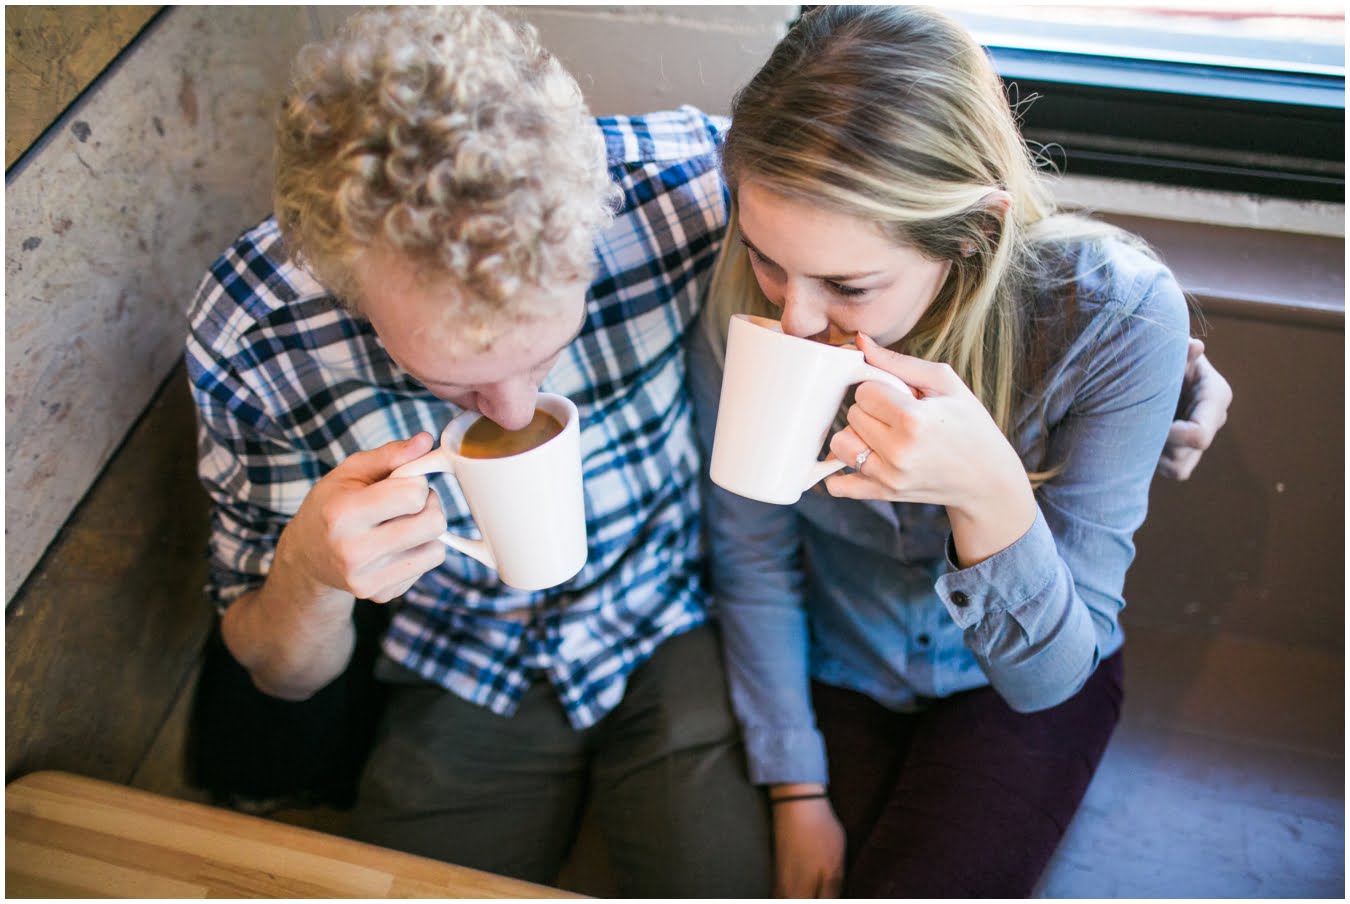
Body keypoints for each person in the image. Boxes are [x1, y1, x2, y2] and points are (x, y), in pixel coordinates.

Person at [184, 7, 770, 895]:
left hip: (674, 615)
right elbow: (279, 676)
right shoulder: (257, 336)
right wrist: (308, 574)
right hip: (456, 653)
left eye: (544, 353)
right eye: (449, 380)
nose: (516, 408)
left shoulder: (690, 190)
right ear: (348, 290)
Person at [687, 5, 1220, 897]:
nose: (796, 319)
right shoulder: (741, 293)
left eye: (850, 284)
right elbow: (753, 551)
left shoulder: (1113, 317)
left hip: (1020, 668)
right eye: (771, 260)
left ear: (973, 233)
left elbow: (1051, 677)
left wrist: (989, 498)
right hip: (836, 658)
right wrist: (796, 784)